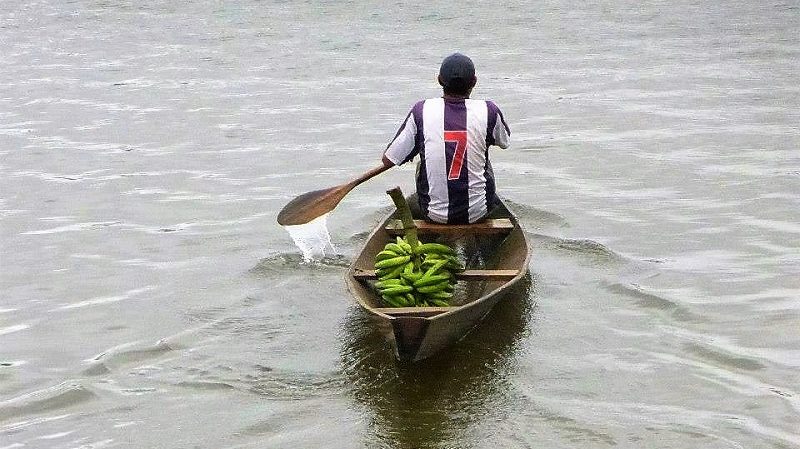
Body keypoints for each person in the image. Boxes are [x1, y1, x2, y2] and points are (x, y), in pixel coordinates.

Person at [381, 53, 511, 225]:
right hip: (478, 213)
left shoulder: (421, 110)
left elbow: (389, 159)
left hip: (434, 215)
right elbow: (504, 142)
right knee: (484, 160)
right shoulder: (489, 110)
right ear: (474, 82)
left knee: (422, 161)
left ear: (440, 80)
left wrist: (414, 149)